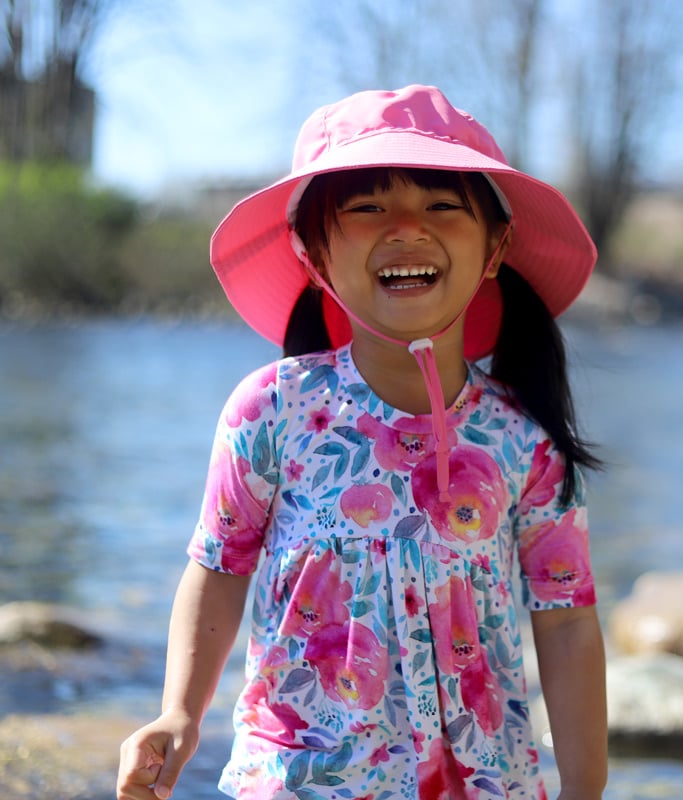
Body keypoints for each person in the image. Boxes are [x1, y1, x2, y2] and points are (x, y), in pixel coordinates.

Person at [117, 84, 607, 800]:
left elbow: (567, 626)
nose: (407, 228)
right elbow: (219, 568)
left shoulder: (522, 441)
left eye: (442, 206)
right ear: (313, 251)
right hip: (295, 780)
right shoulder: (273, 410)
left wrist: (584, 789)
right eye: (367, 207)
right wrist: (179, 713)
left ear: (496, 245)